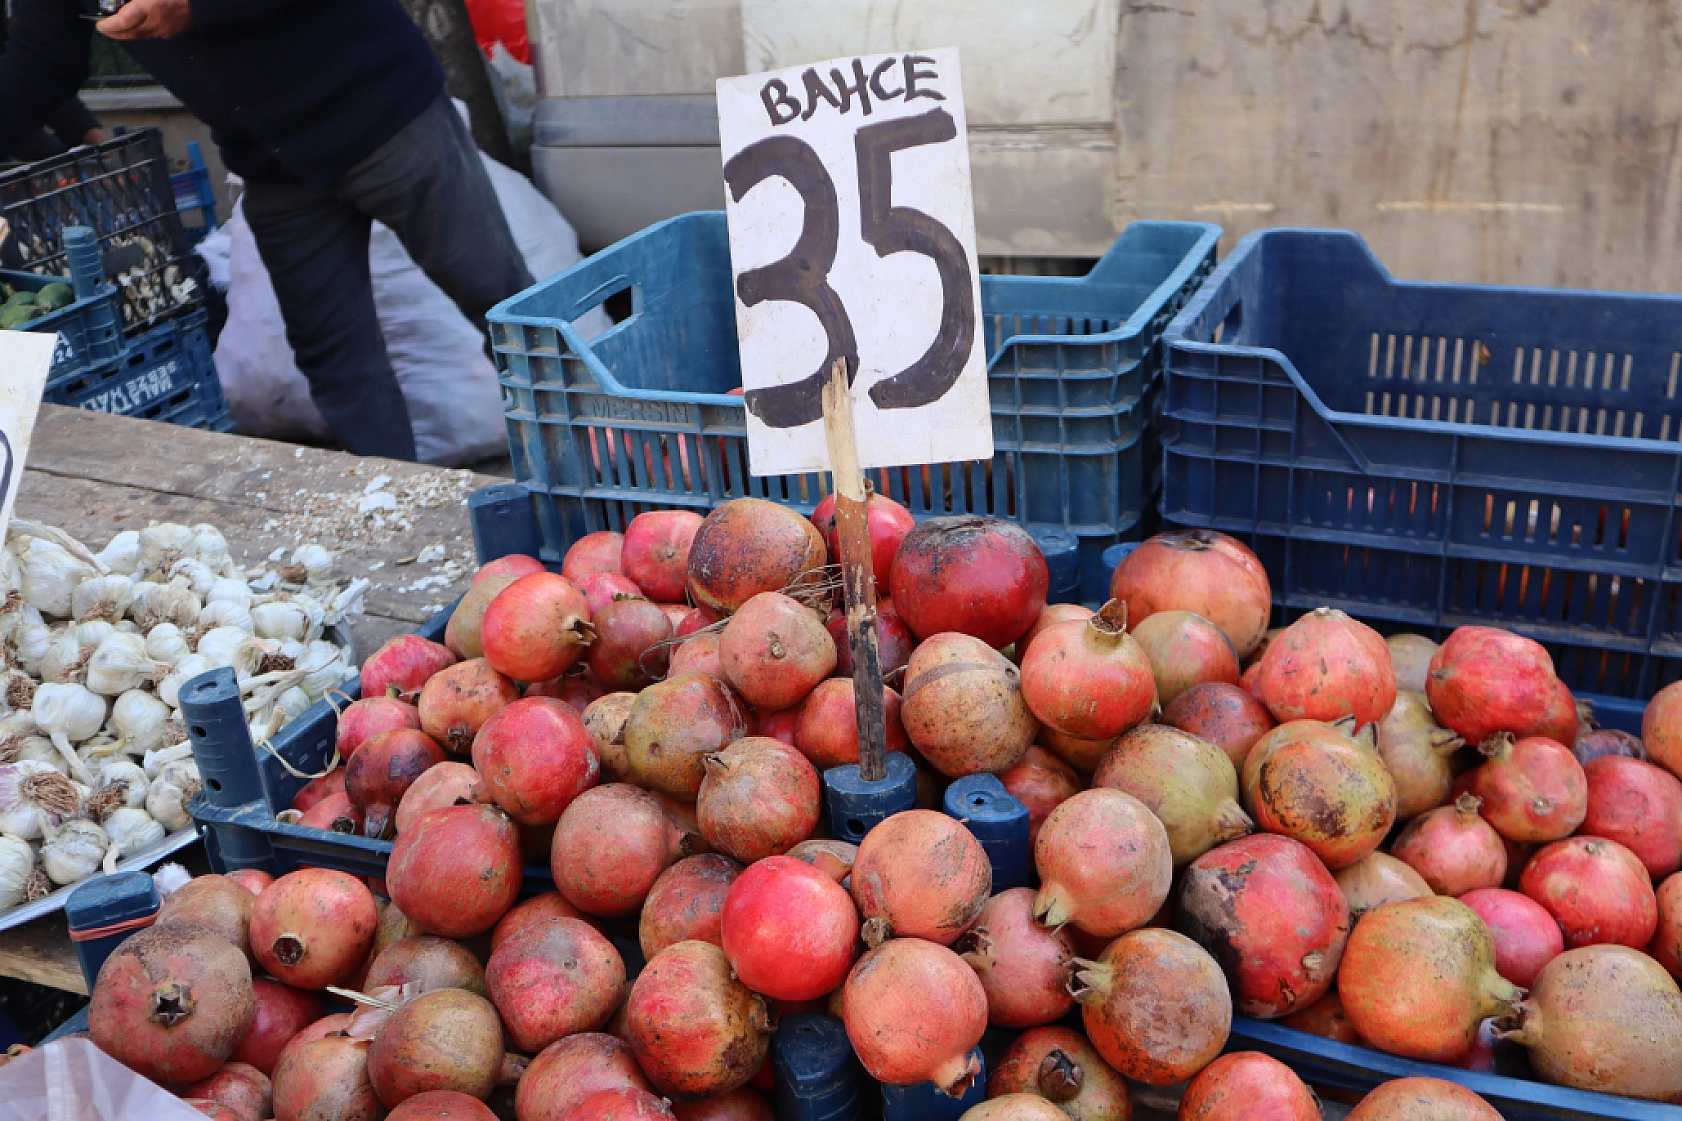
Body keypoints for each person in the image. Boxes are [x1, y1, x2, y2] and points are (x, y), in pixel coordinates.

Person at [0, 0, 533, 461]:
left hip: (384, 117)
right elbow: (43, 57)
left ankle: (583, 478)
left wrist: (194, 8)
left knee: (504, 308)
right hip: (276, 165)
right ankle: (401, 516)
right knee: (337, 361)